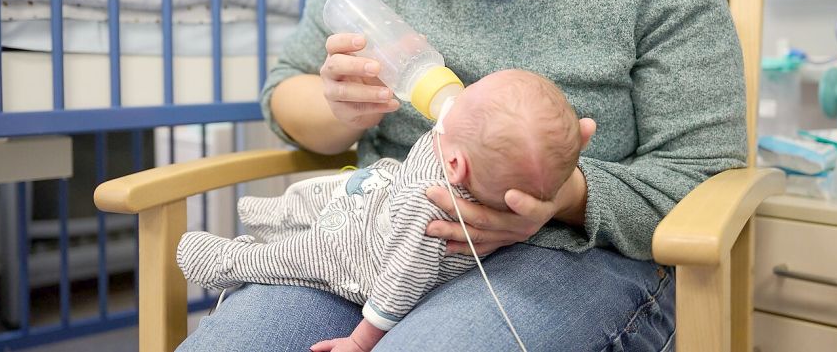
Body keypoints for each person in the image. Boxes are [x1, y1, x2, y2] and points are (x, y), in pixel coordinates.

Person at [177, 0, 747, 350]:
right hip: (375, 239)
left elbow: (700, 176)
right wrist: (341, 107)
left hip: (574, 254)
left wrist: (566, 194)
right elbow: (286, 91)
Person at [176, 70, 588, 352]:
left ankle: (233, 259)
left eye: (464, 103)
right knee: (325, 194)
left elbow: (401, 282)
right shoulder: (469, 155)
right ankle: (274, 214)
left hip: (360, 258)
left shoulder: (428, 215)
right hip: (378, 194)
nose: (455, 97)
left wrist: (362, 340)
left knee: (298, 254)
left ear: (457, 167)